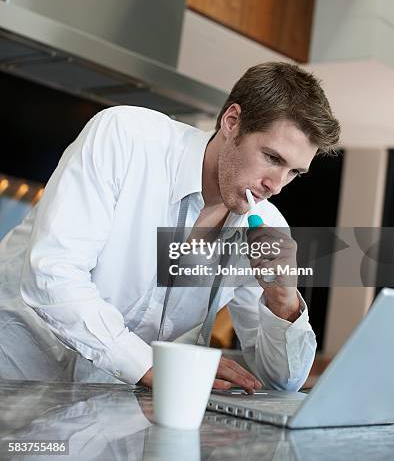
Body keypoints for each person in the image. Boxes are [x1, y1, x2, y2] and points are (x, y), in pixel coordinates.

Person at [0, 62, 340, 392]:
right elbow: (52, 274)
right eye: (272, 158)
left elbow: (284, 382)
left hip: (104, 412)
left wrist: (284, 302)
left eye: (295, 172)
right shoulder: (125, 137)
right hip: (15, 375)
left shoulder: (268, 227)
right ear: (232, 121)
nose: (277, 185)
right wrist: (152, 366)